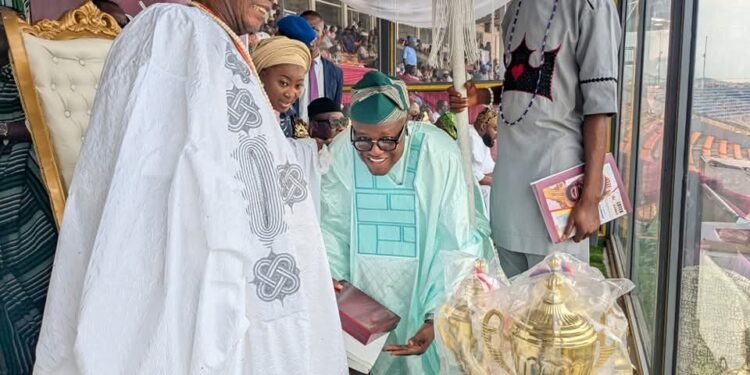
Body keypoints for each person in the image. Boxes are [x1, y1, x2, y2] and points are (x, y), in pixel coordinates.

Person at [33, 1, 348, 374]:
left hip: (256, 272)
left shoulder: (218, 37)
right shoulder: (173, 29)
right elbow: (152, 181)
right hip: (187, 267)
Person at [320, 71, 494, 374]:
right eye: (363, 138)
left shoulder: (437, 153)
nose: (374, 150)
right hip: (361, 310)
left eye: (387, 140)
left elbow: (457, 242)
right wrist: (338, 290)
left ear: (406, 127)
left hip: (424, 300)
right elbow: (330, 229)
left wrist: (435, 318)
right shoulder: (342, 153)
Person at [450, 0, 621, 276]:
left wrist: (589, 199)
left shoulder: (593, 6)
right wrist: (482, 97)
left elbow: (599, 107)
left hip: (556, 182)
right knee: (514, 304)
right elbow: (524, 82)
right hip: (509, 184)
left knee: (559, 305)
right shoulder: (515, 6)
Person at [0, 7, 59, 375]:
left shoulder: (28, 69)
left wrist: (8, 130)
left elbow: (46, 119)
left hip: (27, 172)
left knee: (27, 263)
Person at [294, 10, 344, 123]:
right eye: (305, 28)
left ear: (323, 34)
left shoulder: (335, 73)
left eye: (315, 29)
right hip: (291, 137)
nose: (310, 33)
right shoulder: (287, 67)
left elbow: (335, 113)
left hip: (323, 137)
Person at [470, 107, 498, 210]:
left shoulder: (483, 137)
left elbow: (489, 168)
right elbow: (475, 177)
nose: (497, 135)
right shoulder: (473, 138)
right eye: (495, 129)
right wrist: (499, 182)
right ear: (483, 126)